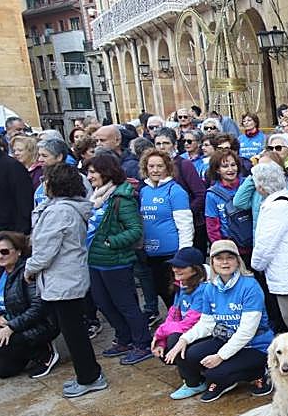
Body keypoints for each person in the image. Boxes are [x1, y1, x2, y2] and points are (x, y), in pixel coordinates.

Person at [25, 163, 107, 392]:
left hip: (63, 278)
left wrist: (29, 268)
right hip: (66, 277)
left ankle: (89, 377)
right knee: (73, 329)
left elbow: (45, 250)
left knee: (74, 332)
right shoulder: (63, 207)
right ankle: (88, 373)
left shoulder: (60, 211)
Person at [163, 240, 274, 402]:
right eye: (219, 258)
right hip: (226, 339)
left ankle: (260, 372)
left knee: (215, 372)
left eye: (230, 257)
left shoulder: (250, 286)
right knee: (189, 354)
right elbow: (207, 323)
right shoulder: (211, 287)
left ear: (238, 261)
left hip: (255, 345)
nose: (224, 262)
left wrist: (220, 356)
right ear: (212, 262)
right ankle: (214, 379)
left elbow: (246, 332)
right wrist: (184, 339)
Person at [86, 151, 153, 367]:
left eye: (93, 172)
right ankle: (124, 338)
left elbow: (135, 230)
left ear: (106, 173)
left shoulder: (121, 198)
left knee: (126, 305)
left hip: (116, 262)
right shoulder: (96, 197)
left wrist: (111, 242)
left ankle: (142, 343)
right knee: (104, 303)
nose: (89, 177)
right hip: (95, 261)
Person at [0, 232, 59, 379]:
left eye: (4, 251)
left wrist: (11, 327)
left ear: (18, 251)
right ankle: (11, 352)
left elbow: (38, 307)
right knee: (1, 371)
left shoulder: (28, 272)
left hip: (35, 325)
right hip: (4, 322)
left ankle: (44, 353)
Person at [248, 162, 288, 335]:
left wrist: (255, 265)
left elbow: (265, 246)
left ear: (261, 186)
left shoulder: (276, 208)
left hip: (287, 276)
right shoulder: (282, 201)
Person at [139, 149, 194, 317]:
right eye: (151, 166)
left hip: (171, 255)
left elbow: (185, 224)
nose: (155, 170)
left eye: (159, 166)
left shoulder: (175, 191)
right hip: (150, 254)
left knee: (175, 295)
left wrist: (184, 254)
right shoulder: (144, 191)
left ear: (167, 168)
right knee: (161, 291)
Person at [153, 248, 208, 398]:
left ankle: (194, 382)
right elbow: (173, 315)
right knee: (164, 347)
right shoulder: (182, 285)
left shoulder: (203, 289)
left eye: (181, 266)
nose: (175, 269)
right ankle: (195, 372)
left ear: (195, 269)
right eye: (174, 265)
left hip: (204, 334)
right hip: (188, 333)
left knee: (173, 339)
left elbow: (189, 323)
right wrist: (160, 341)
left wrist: (160, 333)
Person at [204, 150, 248, 246]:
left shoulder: (247, 185)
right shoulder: (212, 194)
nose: (230, 169)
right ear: (217, 170)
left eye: (233, 165)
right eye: (225, 166)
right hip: (229, 244)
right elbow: (212, 226)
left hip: (252, 243)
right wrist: (221, 248)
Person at [34, 137, 89, 205]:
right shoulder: (43, 179)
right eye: (39, 155)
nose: (40, 159)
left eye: (44, 156)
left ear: (59, 157)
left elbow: (86, 205)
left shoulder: (77, 178)